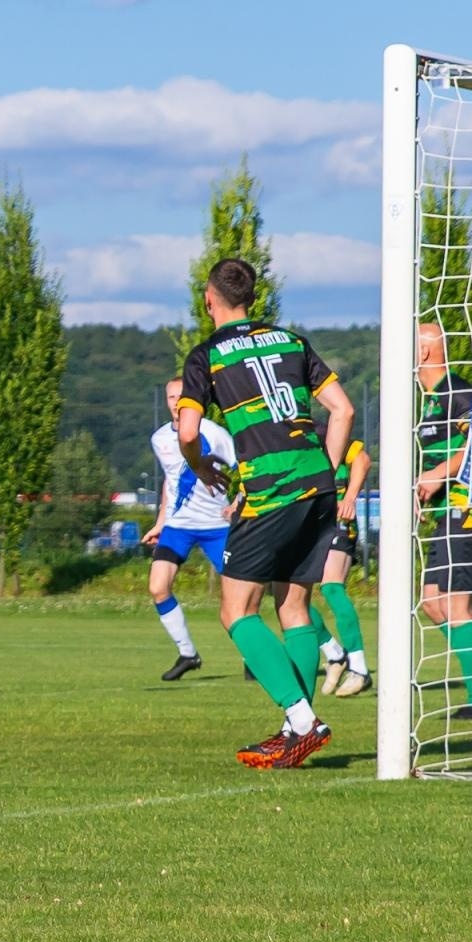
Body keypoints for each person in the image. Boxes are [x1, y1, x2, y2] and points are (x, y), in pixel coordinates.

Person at [177, 258, 354, 770]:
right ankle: (295, 730)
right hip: (317, 485)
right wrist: (328, 471)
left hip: (271, 491)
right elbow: (342, 410)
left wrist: (200, 465)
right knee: (294, 608)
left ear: (209, 298)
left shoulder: (207, 355)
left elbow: (188, 432)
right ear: (252, 298)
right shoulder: (292, 342)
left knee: (236, 611)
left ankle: (302, 719)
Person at [416, 323, 472, 718]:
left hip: (466, 512)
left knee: (455, 605)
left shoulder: (456, 391)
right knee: (431, 602)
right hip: (445, 514)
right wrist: (424, 488)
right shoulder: (431, 400)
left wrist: (437, 475)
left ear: (423, 352)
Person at [142, 377, 236, 681]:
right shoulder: (159, 438)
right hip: (178, 526)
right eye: (170, 397)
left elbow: (245, 470)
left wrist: (237, 505)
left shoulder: (215, 433)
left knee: (239, 599)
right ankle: (187, 654)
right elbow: (170, 481)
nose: (175, 402)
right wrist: (160, 522)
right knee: (158, 587)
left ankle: (253, 655)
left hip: (217, 526)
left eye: (181, 396)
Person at [316, 432, 373, 697]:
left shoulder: (320, 431)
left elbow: (362, 459)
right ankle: (334, 653)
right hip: (307, 526)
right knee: (289, 597)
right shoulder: (278, 437)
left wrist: (349, 497)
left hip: (337, 523)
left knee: (331, 587)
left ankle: (359, 669)